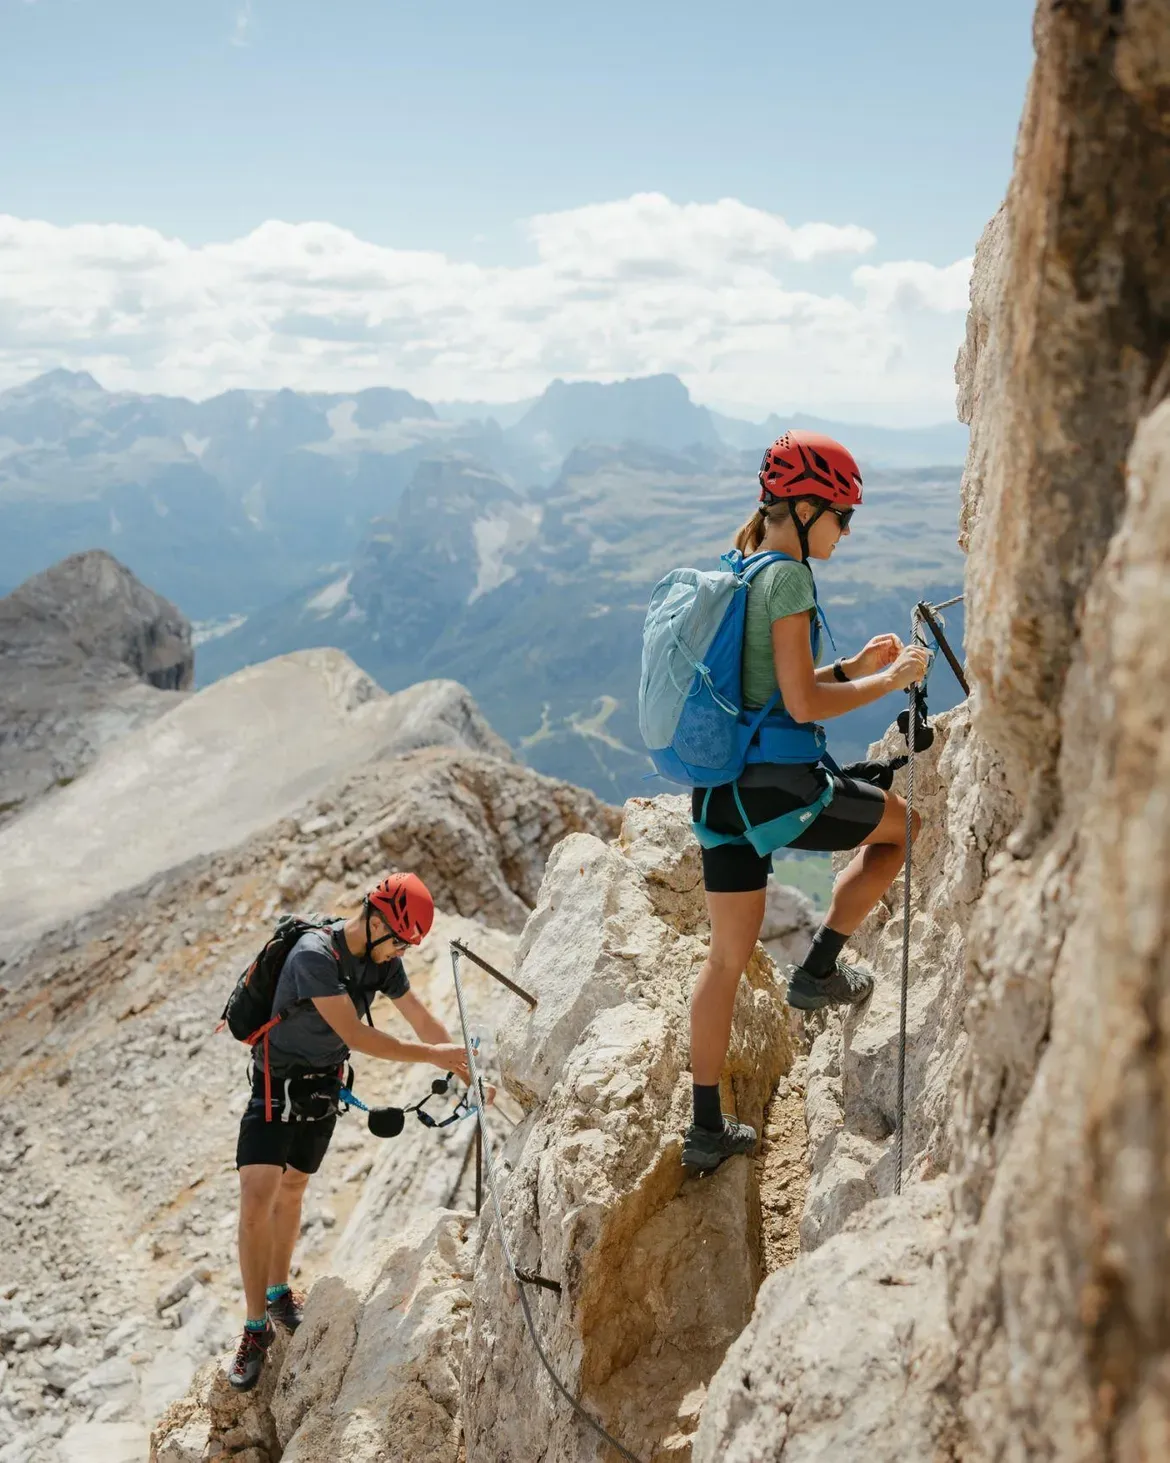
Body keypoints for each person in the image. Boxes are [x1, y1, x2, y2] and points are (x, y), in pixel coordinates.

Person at [682, 431, 930, 1174]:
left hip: (720, 794)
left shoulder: (746, 566)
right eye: (841, 516)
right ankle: (818, 970)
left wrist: (850, 667)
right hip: (778, 790)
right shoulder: (789, 577)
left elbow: (769, 689)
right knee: (904, 830)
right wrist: (890, 681)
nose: (845, 531)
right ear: (805, 507)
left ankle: (704, 1128)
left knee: (725, 960)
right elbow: (801, 703)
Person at [228, 871, 469, 1391]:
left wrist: (466, 1068)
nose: (401, 953)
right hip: (275, 1084)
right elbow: (357, 1034)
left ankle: (277, 1294)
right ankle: (254, 1328)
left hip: (322, 1088)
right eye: (400, 941)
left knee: (293, 1187)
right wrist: (435, 1056)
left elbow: (420, 1018)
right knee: (256, 1199)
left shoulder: (382, 961)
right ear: (378, 921)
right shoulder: (314, 956)